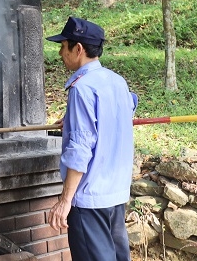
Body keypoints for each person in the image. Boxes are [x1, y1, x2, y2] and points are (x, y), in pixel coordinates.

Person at [45, 16, 137, 261]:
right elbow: (129, 106)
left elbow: (80, 149)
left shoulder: (81, 88)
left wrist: (65, 201)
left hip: (90, 200)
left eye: (62, 47)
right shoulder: (118, 82)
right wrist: (73, 119)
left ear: (78, 49)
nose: (60, 53)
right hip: (115, 195)